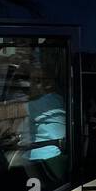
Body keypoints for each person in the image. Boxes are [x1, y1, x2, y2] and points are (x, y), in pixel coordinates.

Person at [26, 48, 67, 182]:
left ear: (48, 84)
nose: (30, 86)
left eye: (36, 81)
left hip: (45, 162)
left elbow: (4, 112)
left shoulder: (40, 104)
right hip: (57, 157)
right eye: (30, 81)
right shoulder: (58, 99)